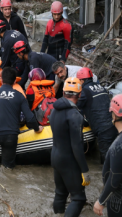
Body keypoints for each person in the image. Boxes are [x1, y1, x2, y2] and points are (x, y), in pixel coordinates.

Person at [0, 67, 43, 169]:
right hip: (11, 138)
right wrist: (37, 129)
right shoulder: (20, 96)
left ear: (1, 80)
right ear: (15, 81)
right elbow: (30, 118)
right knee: (7, 168)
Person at [49, 77, 91, 216]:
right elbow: (77, 146)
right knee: (78, 198)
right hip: (68, 160)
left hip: (55, 156)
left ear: (63, 92)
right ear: (79, 94)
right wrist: (84, 170)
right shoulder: (74, 115)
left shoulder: (54, 110)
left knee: (60, 193)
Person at [76, 67, 117, 164]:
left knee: (106, 158)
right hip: (114, 124)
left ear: (81, 80)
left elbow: (76, 106)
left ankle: (107, 176)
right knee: (115, 153)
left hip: (103, 129)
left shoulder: (84, 92)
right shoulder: (101, 87)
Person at [0, 20, 30, 87]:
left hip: (20, 61)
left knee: (16, 82)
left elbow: (4, 61)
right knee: (23, 78)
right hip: (26, 56)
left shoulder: (7, 40)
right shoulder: (11, 32)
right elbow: (5, 48)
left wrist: (0, 72)